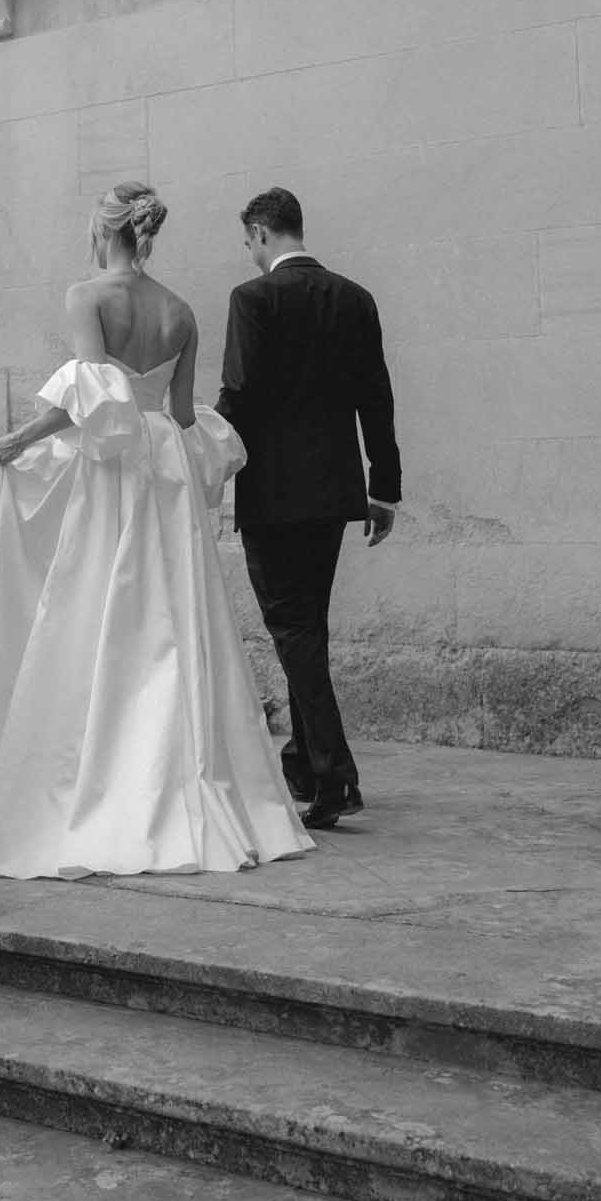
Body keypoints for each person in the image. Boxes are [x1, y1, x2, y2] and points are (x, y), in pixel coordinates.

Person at [0, 183, 313, 880]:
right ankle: (188, 780)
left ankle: (102, 785)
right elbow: (184, 414)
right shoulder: (181, 310)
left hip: (115, 470)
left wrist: (18, 437)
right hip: (167, 468)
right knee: (173, 619)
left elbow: (91, 400)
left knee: (99, 611)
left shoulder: (86, 296)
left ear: (101, 231)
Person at [217, 187, 401, 831]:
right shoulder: (355, 298)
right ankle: (302, 760)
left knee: (292, 630)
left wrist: (200, 454)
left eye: (248, 242)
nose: (248, 254)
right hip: (335, 494)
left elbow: (238, 393)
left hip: (272, 496)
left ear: (263, 234)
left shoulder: (253, 298)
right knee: (307, 628)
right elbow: (376, 398)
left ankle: (334, 773)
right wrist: (385, 488)